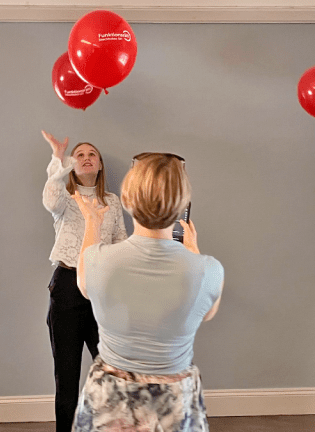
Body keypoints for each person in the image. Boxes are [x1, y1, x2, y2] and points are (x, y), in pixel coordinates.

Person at [71, 152, 224, 432]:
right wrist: (192, 250)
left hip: (109, 402)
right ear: (181, 205)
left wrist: (92, 222)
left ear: (127, 200)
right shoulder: (209, 270)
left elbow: (83, 285)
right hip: (173, 406)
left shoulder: (97, 260)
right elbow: (208, 312)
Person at [41, 131, 128, 432]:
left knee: (112, 370)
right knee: (66, 375)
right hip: (66, 287)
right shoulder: (64, 197)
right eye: (80, 155)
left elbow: (120, 242)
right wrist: (57, 156)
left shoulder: (113, 202)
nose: (86, 158)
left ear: (101, 165)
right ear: (72, 165)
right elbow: (50, 195)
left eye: (92, 154)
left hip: (103, 288)